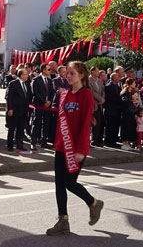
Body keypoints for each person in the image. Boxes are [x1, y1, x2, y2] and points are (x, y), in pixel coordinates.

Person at [46, 61, 103, 236]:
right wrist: (57, 144)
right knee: (59, 184)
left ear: (81, 75)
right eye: (67, 73)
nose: (68, 76)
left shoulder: (86, 95)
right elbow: (61, 123)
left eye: (72, 73)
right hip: (62, 146)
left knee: (70, 183)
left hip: (77, 148)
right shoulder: (65, 95)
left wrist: (81, 149)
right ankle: (63, 220)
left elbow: (86, 123)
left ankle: (93, 202)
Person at [31, 63, 55, 151]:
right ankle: (33, 142)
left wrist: (49, 101)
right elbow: (35, 92)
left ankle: (43, 141)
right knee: (36, 123)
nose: (50, 71)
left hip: (48, 106)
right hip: (39, 105)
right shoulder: (36, 79)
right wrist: (44, 101)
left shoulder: (49, 80)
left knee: (46, 123)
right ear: (44, 70)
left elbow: (52, 92)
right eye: (48, 69)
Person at [6, 68, 31, 151]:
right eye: (25, 74)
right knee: (12, 128)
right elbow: (9, 97)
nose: (27, 76)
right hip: (14, 109)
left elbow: (27, 98)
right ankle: (9, 145)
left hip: (23, 110)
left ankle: (19, 144)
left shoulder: (26, 84)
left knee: (20, 128)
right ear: (21, 75)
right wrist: (10, 109)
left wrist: (27, 110)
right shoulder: (13, 83)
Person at [120, 78, 139, 151]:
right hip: (126, 114)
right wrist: (133, 108)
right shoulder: (125, 93)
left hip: (129, 114)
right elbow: (125, 104)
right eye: (134, 83)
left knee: (128, 128)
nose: (135, 84)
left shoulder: (129, 92)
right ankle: (124, 143)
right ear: (130, 84)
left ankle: (127, 143)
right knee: (125, 128)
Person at [103, 73, 122, 148]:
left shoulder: (117, 86)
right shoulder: (108, 87)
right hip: (110, 110)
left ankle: (114, 140)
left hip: (117, 110)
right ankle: (109, 142)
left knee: (115, 126)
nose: (119, 78)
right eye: (117, 77)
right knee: (110, 127)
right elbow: (110, 99)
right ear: (113, 78)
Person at [89, 67, 106, 147]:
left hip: (99, 105)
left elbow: (103, 90)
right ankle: (91, 140)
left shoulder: (99, 81)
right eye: (96, 71)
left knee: (98, 123)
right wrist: (100, 98)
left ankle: (96, 140)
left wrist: (102, 99)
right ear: (92, 72)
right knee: (91, 123)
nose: (98, 72)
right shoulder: (88, 80)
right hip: (93, 104)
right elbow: (91, 91)